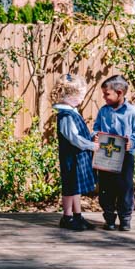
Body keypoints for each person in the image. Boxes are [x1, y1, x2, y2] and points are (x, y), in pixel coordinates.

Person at [93, 74, 135, 231]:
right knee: (106, 187)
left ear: (120, 93)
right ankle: (109, 217)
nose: (104, 97)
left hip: (125, 157)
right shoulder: (103, 111)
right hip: (105, 156)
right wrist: (95, 135)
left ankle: (125, 219)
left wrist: (133, 141)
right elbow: (96, 128)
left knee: (125, 187)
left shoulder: (132, 112)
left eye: (107, 94)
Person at [52, 74, 99, 231]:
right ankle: (67, 217)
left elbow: (81, 133)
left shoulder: (73, 111)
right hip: (71, 159)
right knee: (70, 188)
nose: (82, 99)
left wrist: (92, 136)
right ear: (69, 95)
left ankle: (78, 216)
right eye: (80, 96)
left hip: (79, 157)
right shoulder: (65, 115)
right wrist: (91, 145)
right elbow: (74, 138)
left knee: (76, 188)